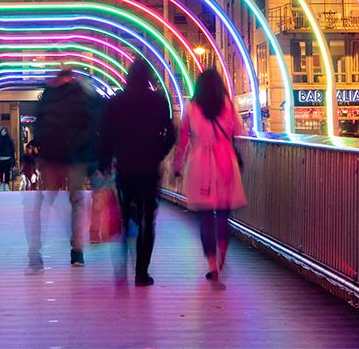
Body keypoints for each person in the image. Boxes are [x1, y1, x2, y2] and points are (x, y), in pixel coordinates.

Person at [98, 59, 175, 286]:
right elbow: (170, 133)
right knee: (147, 219)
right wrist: (159, 152)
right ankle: (142, 273)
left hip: (125, 167)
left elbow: (106, 135)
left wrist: (104, 162)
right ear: (149, 78)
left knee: (123, 219)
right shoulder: (158, 101)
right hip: (149, 168)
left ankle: (121, 268)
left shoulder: (116, 103)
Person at [173, 68, 247, 284]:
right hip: (225, 162)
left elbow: (184, 139)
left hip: (200, 164)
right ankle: (223, 251)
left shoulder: (191, 107)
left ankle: (212, 264)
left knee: (205, 217)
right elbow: (238, 131)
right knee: (223, 212)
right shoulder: (227, 105)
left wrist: (178, 165)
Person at [26, 67, 99, 269]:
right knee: (64, 202)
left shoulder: (70, 94)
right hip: (57, 157)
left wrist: (76, 145)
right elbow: (40, 124)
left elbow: (89, 124)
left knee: (64, 202)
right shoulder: (52, 94)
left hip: (70, 157)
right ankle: (61, 250)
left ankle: (73, 249)